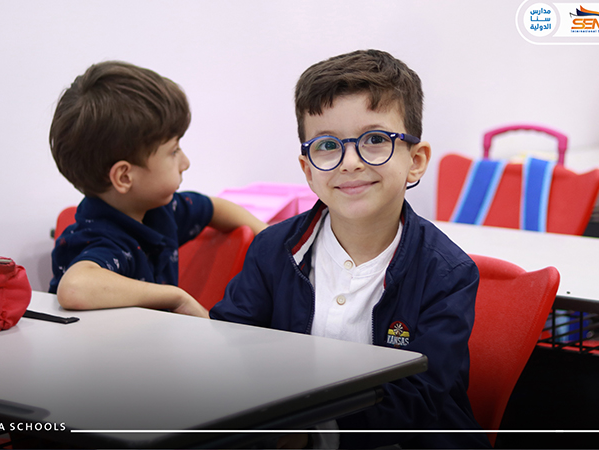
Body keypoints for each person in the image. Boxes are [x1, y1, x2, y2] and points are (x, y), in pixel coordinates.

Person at [210, 50, 490, 448]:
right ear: (308, 171)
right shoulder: (272, 250)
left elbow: (420, 396)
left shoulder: (447, 272)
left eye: (375, 140)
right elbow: (228, 346)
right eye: (327, 145)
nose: (350, 162)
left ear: (416, 160)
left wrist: (311, 433)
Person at [48, 61, 267, 318]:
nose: (185, 162)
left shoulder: (160, 210)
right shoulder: (102, 239)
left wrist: (269, 238)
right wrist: (175, 297)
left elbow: (214, 208)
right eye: (174, 151)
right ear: (124, 176)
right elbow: (74, 288)